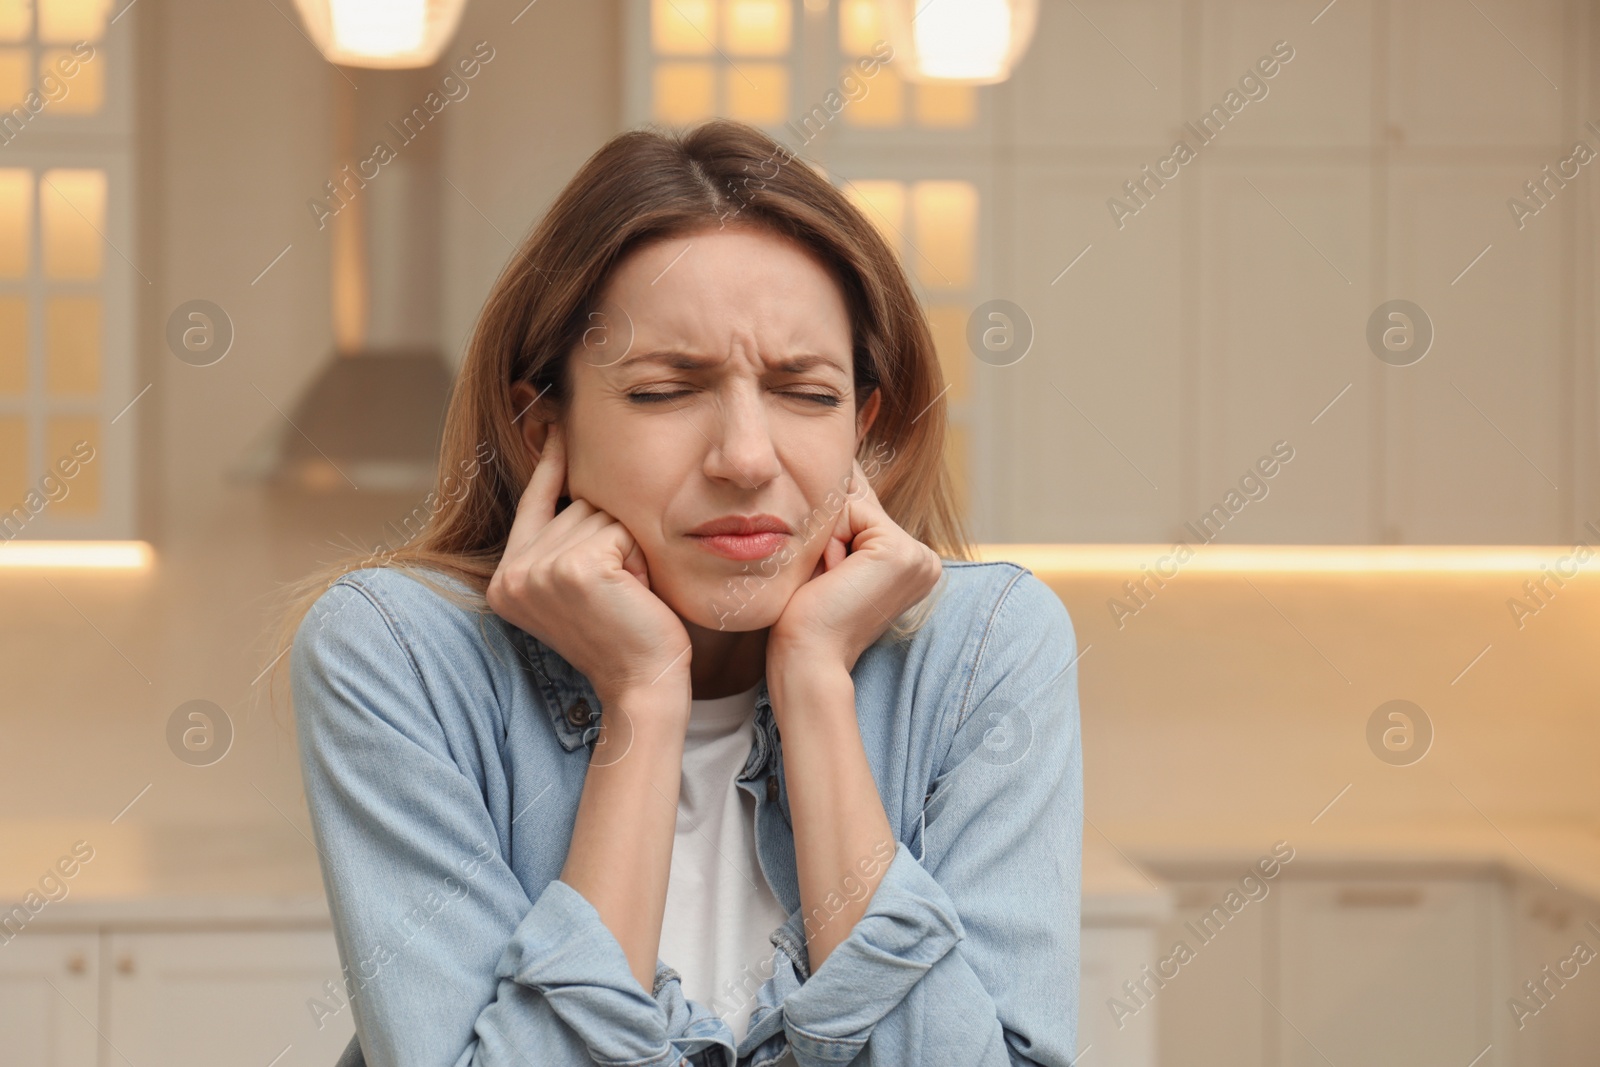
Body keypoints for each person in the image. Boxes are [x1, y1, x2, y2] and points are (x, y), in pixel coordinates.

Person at [275, 117, 1083, 1067]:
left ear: (862, 430)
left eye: (806, 392)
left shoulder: (988, 649)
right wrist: (644, 699)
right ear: (542, 426)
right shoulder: (397, 655)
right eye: (665, 390)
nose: (745, 457)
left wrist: (817, 686)